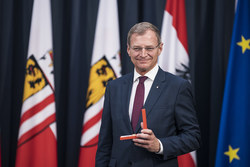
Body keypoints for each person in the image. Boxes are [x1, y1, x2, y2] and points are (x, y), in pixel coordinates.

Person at [95, 22, 201, 167]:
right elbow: (105, 142)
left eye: (149, 48)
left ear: (160, 48)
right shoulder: (114, 87)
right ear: (128, 50)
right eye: (137, 48)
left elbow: (193, 137)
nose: (143, 54)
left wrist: (159, 145)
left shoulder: (178, 87)